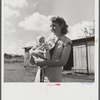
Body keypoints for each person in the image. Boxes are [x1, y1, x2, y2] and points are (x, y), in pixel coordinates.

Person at [34, 16, 72, 82]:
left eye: (54, 25)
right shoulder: (48, 40)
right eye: (51, 26)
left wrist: (43, 62)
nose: (52, 28)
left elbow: (63, 62)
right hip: (39, 77)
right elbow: (36, 50)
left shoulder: (67, 42)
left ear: (61, 25)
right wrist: (33, 53)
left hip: (53, 78)